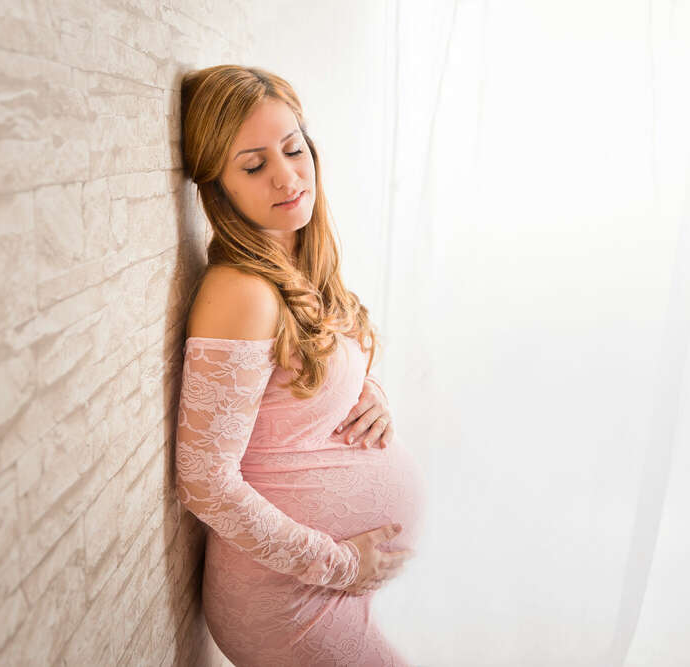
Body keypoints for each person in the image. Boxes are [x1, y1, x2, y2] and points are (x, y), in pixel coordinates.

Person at [176, 64, 426, 666]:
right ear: (218, 188)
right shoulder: (242, 291)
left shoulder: (297, 266)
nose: (287, 177)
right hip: (287, 602)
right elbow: (203, 479)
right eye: (254, 165)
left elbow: (299, 389)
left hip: (327, 589)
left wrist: (370, 396)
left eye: (294, 149)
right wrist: (342, 564)